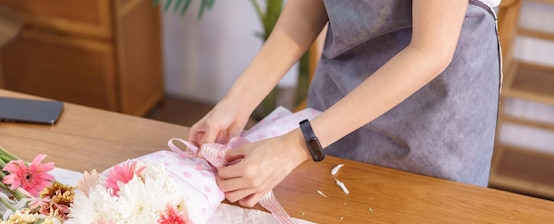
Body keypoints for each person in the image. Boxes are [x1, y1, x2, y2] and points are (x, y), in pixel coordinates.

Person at [188, 0, 502, 208]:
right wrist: (237, 101)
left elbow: (430, 51)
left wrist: (297, 145)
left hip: (435, 113)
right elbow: (304, 12)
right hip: (338, 100)